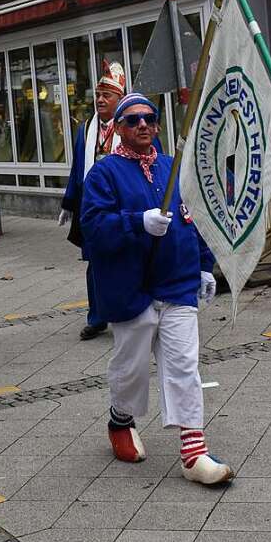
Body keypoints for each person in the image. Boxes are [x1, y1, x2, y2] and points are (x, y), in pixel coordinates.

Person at [79, 93, 229, 486]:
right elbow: (92, 231)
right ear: (119, 128)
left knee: (183, 366)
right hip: (132, 290)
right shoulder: (104, 173)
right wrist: (136, 222)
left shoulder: (173, 168)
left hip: (177, 284)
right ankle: (120, 420)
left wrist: (202, 266)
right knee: (131, 370)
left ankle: (193, 453)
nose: (143, 125)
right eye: (132, 120)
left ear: (158, 125)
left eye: (150, 118)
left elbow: (192, 219)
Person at [59, 60, 127, 341]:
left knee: (125, 261)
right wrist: (69, 203)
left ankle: (127, 312)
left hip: (123, 205)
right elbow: (78, 168)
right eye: (97, 95)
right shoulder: (85, 128)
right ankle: (97, 317)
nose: (100, 100)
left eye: (106, 95)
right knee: (95, 264)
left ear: (119, 100)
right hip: (93, 207)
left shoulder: (131, 125)